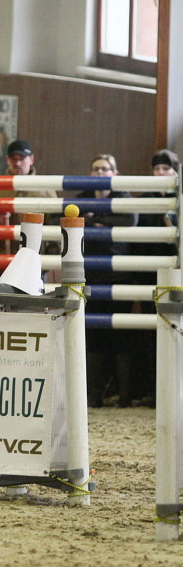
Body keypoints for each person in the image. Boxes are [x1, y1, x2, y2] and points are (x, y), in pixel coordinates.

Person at [79, 153, 137, 407]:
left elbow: (130, 220)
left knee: (121, 337)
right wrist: (102, 224)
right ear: (90, 174)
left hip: (120, 275)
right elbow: (66, 221)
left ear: (115, 173)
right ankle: (93, 398)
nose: (100, 173)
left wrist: (93, 220)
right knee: (92, 337)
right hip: (89, 275)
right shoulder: (80, 198)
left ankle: (124, 398)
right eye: (96, 169)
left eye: (105, 169)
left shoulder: (123, 198)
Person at [125, 149, 180, 407]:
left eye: (165, 169)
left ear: (175, 172)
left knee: (173, 331)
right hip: (148, 276)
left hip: (175, 276)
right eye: (156, 169)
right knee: (148, 336)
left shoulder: (179, 200)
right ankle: (150, 390)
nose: (160, 173)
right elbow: (135, 244)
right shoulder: (144, 199)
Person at [0, 139, 57, 280]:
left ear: (31, 159)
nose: (18, 163)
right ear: (8, 160)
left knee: (32, 302)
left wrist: (45, 264)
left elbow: (55, 230)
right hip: (1, 265)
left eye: (22, 159)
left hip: (33, 265)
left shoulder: (45, 190)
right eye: (14, 159)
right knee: (0, 302)